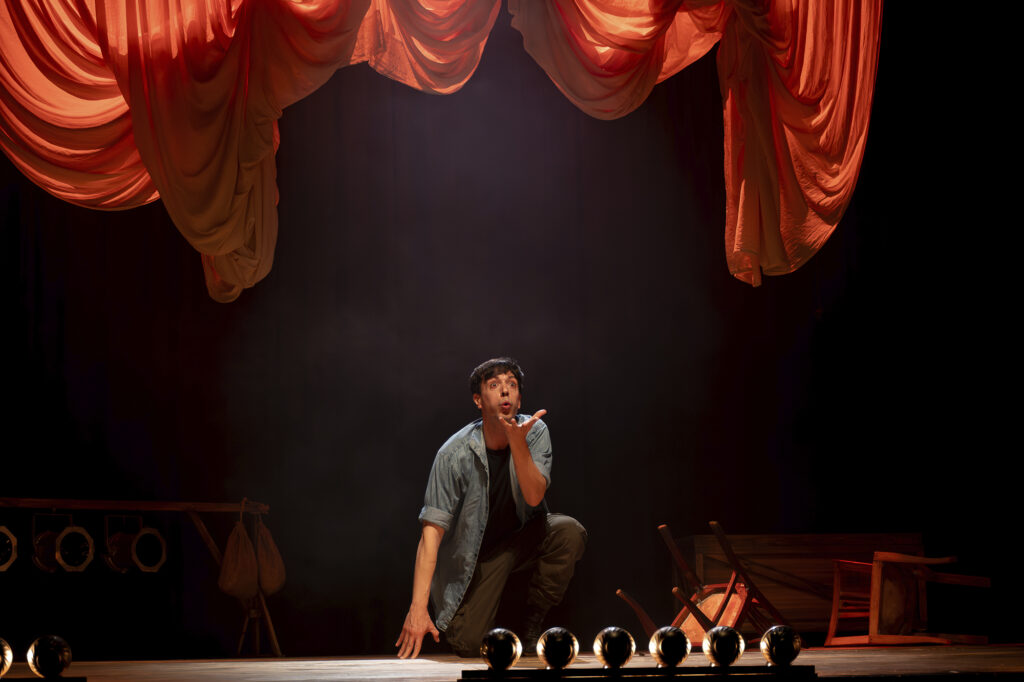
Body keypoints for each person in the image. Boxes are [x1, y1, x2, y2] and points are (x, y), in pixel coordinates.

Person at [395, 357, 587, 659]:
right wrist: (417, 609)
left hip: (523, 541)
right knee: (469, 644)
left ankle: (531, 622)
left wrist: (518, 442)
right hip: (476, 561)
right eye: (494, 385)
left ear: (519, 398)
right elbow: (431, 536)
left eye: (512, 384)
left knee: (569, 532)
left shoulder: (535, 431)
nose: (505, 391)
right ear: (478, 400)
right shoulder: (452, 455)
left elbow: (534, 496)